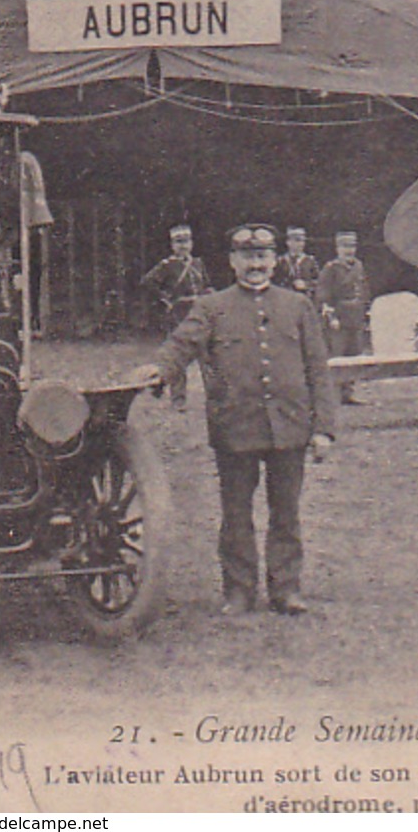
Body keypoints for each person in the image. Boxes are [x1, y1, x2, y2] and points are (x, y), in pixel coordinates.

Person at [133, 224, 336, 616]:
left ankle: (286, 589)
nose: (255, 264)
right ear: (232, 262)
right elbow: (182, 344)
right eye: (247, 257)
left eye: (262, 257)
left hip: (288, 427)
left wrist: (323, 428)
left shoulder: (297, 307)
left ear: (274, 261)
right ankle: (239, 591)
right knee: (236, 514)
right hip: (236, 428)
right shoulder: (212, 307)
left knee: (286, 513)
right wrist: (159, 370)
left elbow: (318, 370)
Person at [138, 224, 210, 411]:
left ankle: (213, 397)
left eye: (186, 242)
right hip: (179, 314)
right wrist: (166, 299)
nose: (183, 246)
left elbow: (206, 286)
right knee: (178, 357)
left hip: (199, 314)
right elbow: (147, 282)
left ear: (192, 243)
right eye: (178, 242)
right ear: (172, 245)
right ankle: (178, 401)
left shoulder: (198, 264)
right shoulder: (167, 266)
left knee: (206, 355)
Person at [317, 229, 368, 405]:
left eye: (352, 246)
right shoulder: (331, 268)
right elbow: (324, 295)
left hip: (356, 316)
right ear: (337, 248)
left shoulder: (358, 266)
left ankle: (348, 393)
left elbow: (363, 289)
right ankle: (333, 395)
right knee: (337, 356)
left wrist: (365, 311)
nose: (349, 250)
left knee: (354, 355)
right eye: (345, 246)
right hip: (339, 317)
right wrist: (331, 318)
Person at [275, 226, 320, 297]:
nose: (301, 244)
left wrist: (306, 285)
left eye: (303, 241)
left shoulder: (310, 261)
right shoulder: (280, 261)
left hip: (303, 298)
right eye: (297, 240)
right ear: (288, 242)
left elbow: (319, 282)